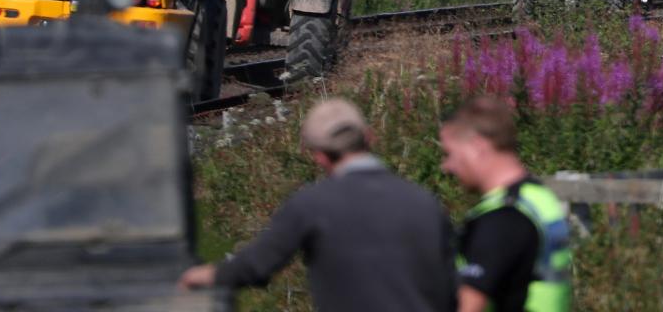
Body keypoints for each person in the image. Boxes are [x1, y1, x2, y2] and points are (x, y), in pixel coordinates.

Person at [179, 98, 457, 312]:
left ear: (318, 156)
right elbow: (450, 279)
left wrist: (206, 274)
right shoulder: (423, 201)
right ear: (369, 138)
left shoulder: (312, 204)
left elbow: (258, 264)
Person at [440, 95, 574, 312]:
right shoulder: (538, 197)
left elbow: (470, 305)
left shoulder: (502, 218)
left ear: (477, 146)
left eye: (450, 154)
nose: (446, 166)